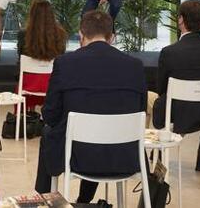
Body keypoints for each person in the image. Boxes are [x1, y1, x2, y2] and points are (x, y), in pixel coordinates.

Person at [35, 11, 147, 203]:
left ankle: (42, 200)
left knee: (48, 133)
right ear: (112, 37)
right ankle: (83, 201)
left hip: (77, 157)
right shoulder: (135, 66)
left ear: (81, 35)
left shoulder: (65, 63)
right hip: (125, 156)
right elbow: (141, 111)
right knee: (99, 125)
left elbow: (50, 114)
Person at [151, 0, 200, 172]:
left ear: (181, 20)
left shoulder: (170, 52)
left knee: (154, 100)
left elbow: (161, 88)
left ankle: (156, 156)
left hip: (179, 112)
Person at [16, 0, 67, 109]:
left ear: (32, 14)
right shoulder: (61, 34)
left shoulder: (23, 34)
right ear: (51, 14)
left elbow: (21, 59)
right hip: (52, 83)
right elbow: (61, 60)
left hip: (29, 84)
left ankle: (27, 117)